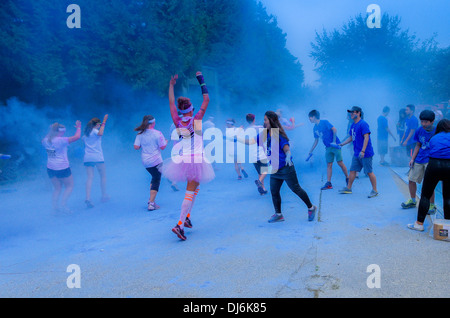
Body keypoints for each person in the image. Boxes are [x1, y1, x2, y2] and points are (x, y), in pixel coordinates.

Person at [237, 111, 317, 223]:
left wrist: (288, 156)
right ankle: (279, 215)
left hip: (285, 167)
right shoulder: (264, 134)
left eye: (265, 120)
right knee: (274, 191)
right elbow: (251, 141)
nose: (264, 122)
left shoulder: (277, 133)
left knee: (296, 189)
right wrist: (237, 139)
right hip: (274, 169)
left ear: (271, 121)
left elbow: (286, 148)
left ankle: (311, 208)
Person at [163, 72, 215, 241]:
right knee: (190, 191)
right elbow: (206, 100)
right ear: (191, 109)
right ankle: (179, 224)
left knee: (195, 186)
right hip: (196, 159)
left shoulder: (177, 120)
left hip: (184, 159)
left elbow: (171, 102)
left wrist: (171, 85)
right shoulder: (197, 120)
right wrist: (201, 80)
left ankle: (186, 217)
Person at [407, 119, 450, 231]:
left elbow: (430, 149)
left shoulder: (433, 138)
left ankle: (419, 224)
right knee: (448, 196)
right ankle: (447, 226)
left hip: (434, 164)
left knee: (425, 195)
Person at [401, 110, 437, 213]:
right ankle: (412, 200)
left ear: (432, 121)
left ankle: (431, 205)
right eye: (422, 121)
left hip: (430, 159)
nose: (423, 124)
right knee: (411, 179)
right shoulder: (419, 130)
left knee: (430, 183)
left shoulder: (437, 131)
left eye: (426, 122)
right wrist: (412, 158)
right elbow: (418, 145)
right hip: (419, 159)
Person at [338, 106, 378, 198]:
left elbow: (366, 137)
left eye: (353, 112)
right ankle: (348, 188)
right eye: (350, 113)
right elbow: (352, 137)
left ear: (359, 113)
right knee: (352, 170)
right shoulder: (353, 125)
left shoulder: (363, 124)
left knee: (369, 172)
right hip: (356, 153)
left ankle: (375, 190)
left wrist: (363, 151)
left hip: (365, 153)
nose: (351, 114)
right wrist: (342, 144)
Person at [42, 120, 81, 213]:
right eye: (63, 132)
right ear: (59, 131)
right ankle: (63, 205)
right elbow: (77, 137)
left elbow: (49, 135)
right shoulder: (61, 140)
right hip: (62, 167)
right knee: (69, 186)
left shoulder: (45, 140)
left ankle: (55, 207)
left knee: (57, 188)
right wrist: (79, 127)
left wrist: (51, 129)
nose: (64, 133)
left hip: (50, 168)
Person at [307, 110, 349, 190]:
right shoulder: (315, 128)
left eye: (310, 117)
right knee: (329, 164)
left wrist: (333, 141)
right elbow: (316, 140)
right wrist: (311, 150)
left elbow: (334, 129)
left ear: (314, 117)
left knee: (340, 163)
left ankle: (347, 178)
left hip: (336, 145)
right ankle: (329, 183)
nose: (309, 119)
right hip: (328, 147)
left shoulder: (325, 122)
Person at [134, 115, 168, 211]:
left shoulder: (140, 134)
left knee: (154, 178)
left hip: (146, 162)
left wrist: (144, 144)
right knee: (156, 180)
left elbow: (136, 147)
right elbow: (162, 147)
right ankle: (151, 203)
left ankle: (151, 200)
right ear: (153, 123)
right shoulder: (158, 134)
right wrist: (165, 142)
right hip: (156, 161)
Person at [83, 115, 109, 208]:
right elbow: (100, 134)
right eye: (99, 124)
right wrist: (104, 121)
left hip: (87, 158)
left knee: (90, 177)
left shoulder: (85, 134)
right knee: (103, 176)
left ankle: (88, 198)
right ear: (97, 124)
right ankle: (104, 195)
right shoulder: (95, 131)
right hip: (97, 157)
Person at [245, 113, 268, 194]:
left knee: (260, 173)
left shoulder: (246, 130)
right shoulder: (259, 127)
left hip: (253, 155)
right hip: (261, 153)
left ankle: (262, 189)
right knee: (265, 170)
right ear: (254, 119)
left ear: (247, 121)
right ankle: (259, 181)